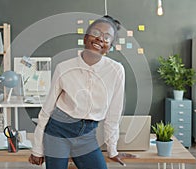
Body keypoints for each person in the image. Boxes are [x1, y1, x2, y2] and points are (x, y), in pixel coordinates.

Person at [28, 15, 135, 169]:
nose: (100, 39)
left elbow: (114, 114)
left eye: (106, 37)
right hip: (58, 131)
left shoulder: (116, 70)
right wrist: (37, 149)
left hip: (87, 135)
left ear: (109, 47)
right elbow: (46, 111)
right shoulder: (64, 68)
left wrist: (112, 150)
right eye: (96, 33)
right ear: (85, 38)